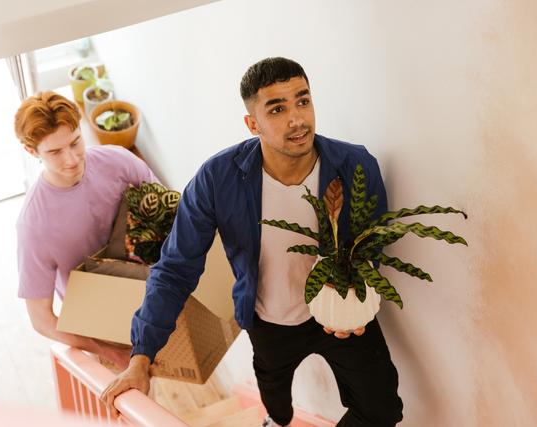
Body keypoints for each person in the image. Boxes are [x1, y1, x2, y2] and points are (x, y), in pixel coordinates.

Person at [101, 58, 403, 426]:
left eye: (302, 101)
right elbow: (175, 269)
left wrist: (357, 303)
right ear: (252, 123)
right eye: (277, 108)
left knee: (383, 409)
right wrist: (141, 357)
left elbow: (371, 247)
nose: (297, 119)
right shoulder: (217, 179)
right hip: (268, 320)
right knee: (277, 408)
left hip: (341, 313)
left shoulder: (355, 165)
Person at [14, 91, 158, 369]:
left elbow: (171, 212)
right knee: (135, 402)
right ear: (32, 152)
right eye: (54, 152)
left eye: (75, 142)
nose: (71, 159)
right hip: (102, 329)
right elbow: (41, 319)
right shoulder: (34, 224)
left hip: (154, 299)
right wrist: (107, 351)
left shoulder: (119, 161)